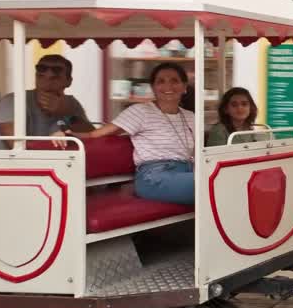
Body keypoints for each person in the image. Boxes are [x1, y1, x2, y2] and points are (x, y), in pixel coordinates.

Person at [56, 62, 195, 205]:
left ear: (184, 87)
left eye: (174, 81)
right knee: (206, 183)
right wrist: (65, 134)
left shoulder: (190, 116)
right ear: (153, 88)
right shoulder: (141, 111)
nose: (168, 86)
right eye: (161, 81)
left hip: (186, 171)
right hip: (154, 176)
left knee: (211, 181)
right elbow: (94, 135)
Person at [0, 55, 94, 147]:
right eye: (41, 76)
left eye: (54, 78)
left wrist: (66, 113)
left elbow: (91, 135)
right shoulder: (13, 101)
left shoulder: (70, 103)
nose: (47, 81)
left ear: (68, 81)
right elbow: (15, 145)